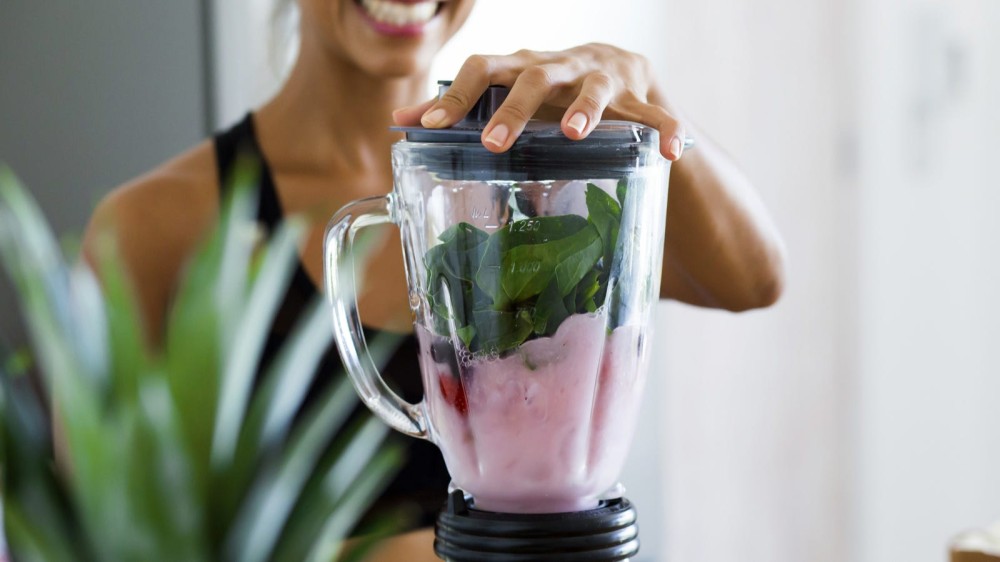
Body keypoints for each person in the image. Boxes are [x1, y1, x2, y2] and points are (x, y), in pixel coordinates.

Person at [83, 0, 786, 558]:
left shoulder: (540, 181)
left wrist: (644, 92)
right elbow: (110, 540)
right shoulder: (155, 225)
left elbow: (755, 279)